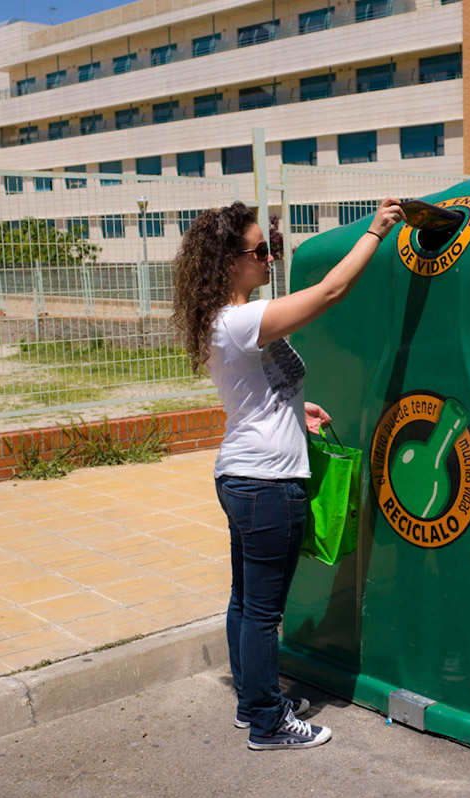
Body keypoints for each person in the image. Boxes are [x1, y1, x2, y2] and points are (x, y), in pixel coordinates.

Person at [171, 198, 404, 750]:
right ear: (230, 261)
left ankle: (253, 701)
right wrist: (374, 232)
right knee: (262, 611)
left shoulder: (228, 321)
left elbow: (250, 392)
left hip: (245, 475)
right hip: (267, 484)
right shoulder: (239, 320)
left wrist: (296, 409)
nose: (271, 257)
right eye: (261, 250)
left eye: (271, 247)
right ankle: (267, 723)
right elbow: (329, 293)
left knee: (244, 600)